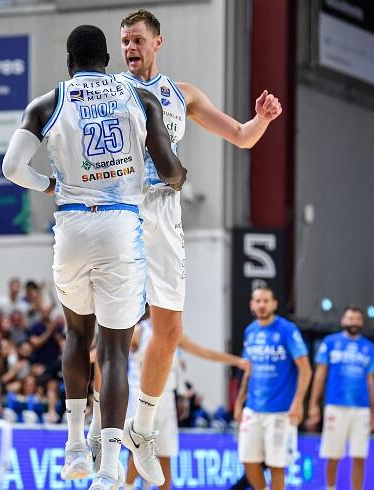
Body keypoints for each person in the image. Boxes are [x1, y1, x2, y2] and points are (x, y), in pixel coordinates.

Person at [1, 24, 185, 489]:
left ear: (69, 60)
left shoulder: (47, 102)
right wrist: (179, 175)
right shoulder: (139, 99)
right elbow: (168, 170)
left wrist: (49, 185)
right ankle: (107, 471)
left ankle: (75, 447)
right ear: (107, 59)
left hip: (72, 225)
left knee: (77, 335)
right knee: (116, 350)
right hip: (121, 226)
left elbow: (11, 168)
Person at [104, 10, 282, 485]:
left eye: (137, 39)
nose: (129, 47)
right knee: (113, 326)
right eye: (124, 41)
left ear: (157, 42)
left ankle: (141, 429)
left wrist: (261, 119)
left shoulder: (183, 94)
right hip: (119, 210)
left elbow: (242, 138)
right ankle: (94, 434)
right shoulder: (107, 91)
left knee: (170, 329)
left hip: (164, 214)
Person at [119, 311, 247, 490]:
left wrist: (237, 361)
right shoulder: (139, 331)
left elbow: (203, 351)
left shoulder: (174, 333)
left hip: (166, 398)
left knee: (166, 453)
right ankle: (127, 486)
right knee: (138, 448)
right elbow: (110, 353)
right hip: (140, 397)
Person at [234, 286, 311, 490]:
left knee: (277, 465)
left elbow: (305, 369)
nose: (261, 305)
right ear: (251, 304)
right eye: (257, 301)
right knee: (248, 461)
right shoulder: (250, 332)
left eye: (266, 300)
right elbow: (247, 371)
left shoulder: (287, 329)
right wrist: (239, 402)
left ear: (274, 304)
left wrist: (298, 403)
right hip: (253, 408)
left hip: (281, 410)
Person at [305, 307, 374, 490]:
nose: (353, 322)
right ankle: (330, 488)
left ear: (361, 322)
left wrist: (373, 413)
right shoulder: (330, 342)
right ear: (343, 320)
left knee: (359, 455)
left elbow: (371, 382)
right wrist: (313, 404)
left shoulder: (368, 347)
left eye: (357, 319)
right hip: (335, 406)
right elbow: (319, 375)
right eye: (350, 318)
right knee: (333, 454)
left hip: (361, 408)